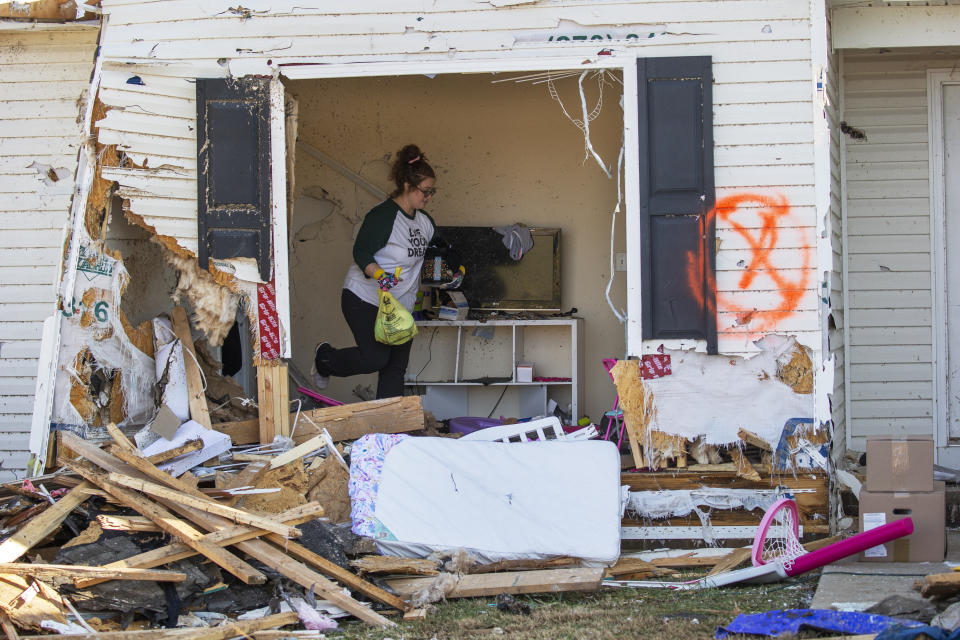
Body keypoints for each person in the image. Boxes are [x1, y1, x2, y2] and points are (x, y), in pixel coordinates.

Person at [312, 144, 464, 399]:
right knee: (375, 358)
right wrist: (381, 275)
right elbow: (361, 252)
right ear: (407, 185)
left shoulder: (424, 221)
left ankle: (389, 433)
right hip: (365, 297)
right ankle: (325, 359)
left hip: (400, 306)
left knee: (395, 368)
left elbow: (433, 251)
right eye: (425, 191)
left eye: (431, 192)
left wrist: (451, 263)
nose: (428, 197)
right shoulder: (383, 217)